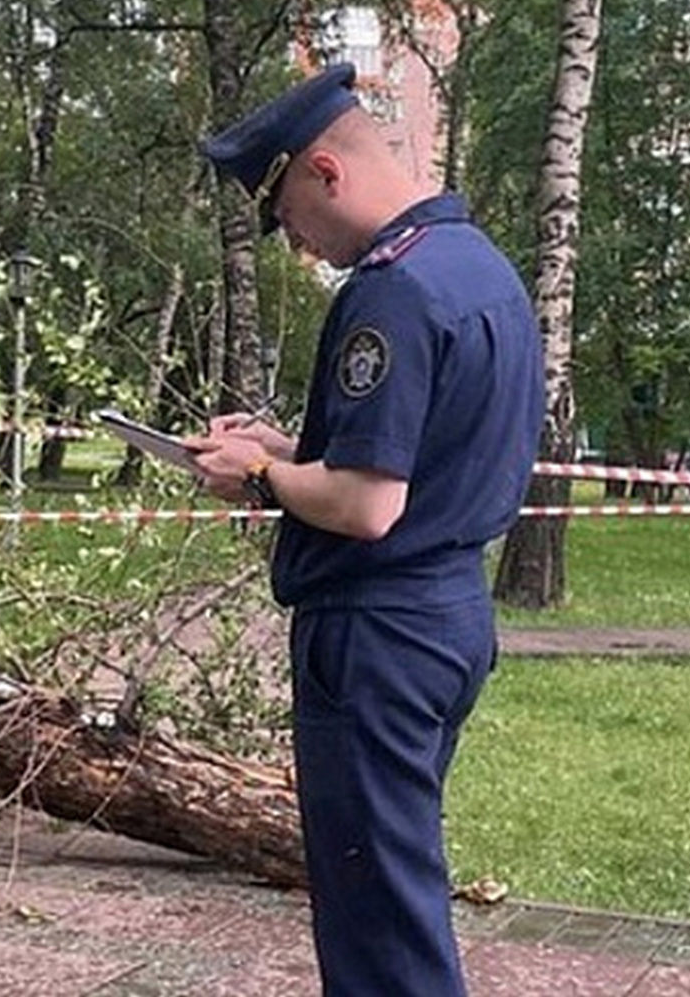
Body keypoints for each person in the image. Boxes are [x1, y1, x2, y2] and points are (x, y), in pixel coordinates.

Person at [185, 64, 545, 997]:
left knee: (378, 916)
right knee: (394, 884)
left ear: (324, 172)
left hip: (377, 633)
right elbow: (409, 458)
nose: (298, 246)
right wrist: (289, 445)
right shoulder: (480, 270)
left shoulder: (392, 290)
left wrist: (258, 473)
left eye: (287, 218)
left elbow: (368, 505)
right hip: (446, 616)